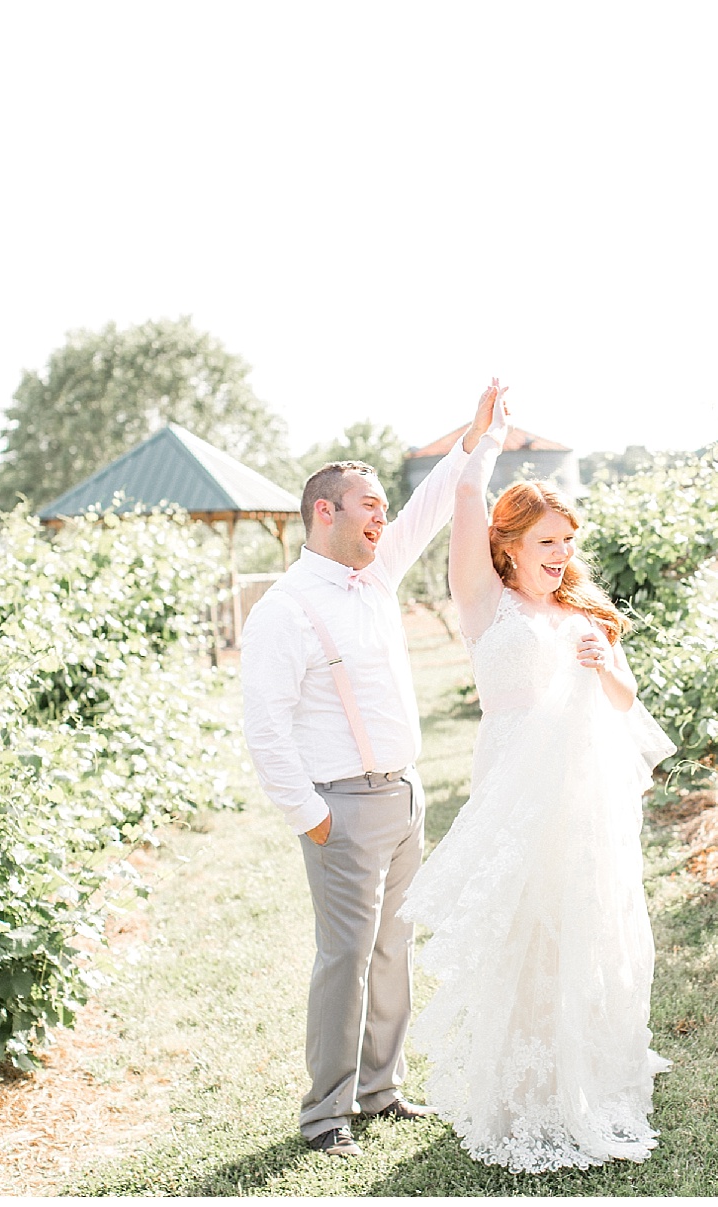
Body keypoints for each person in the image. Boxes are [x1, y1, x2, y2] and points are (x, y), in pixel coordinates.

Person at [397, 395, 674, 1173]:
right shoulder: (486, 603)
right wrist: (481, 440)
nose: (560, 555)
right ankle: (522, 1094)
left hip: (583, 800)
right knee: (523, 932)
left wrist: (606, 664)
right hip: (512, 792)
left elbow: (624, 705)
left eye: (567, 543)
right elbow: (462, 500)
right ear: (509, 544)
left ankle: (585, 1076)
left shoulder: (583, 614)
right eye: (547, 542)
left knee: (582, 928)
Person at [239, 380, 507, 1159]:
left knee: (394, 952)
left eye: (383, 505)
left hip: (405, 796)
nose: (383, 516)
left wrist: (478, 437)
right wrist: (313, 818)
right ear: (325, 512)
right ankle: (326, 1114)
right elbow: (266, 728)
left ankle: (380, 1089)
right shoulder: (284, 609)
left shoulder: (376, 574)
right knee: (345, 960)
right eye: (369, 506)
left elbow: (429, 505)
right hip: (341, 809)